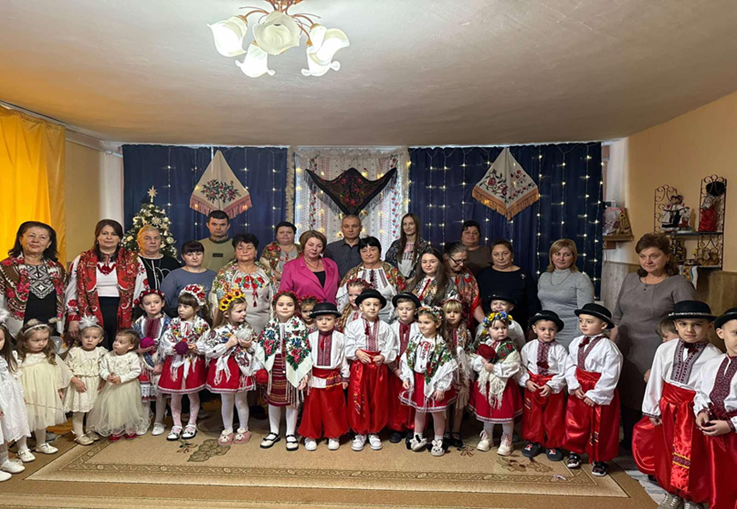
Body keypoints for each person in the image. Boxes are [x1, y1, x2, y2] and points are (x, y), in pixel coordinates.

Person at [611, 233, 695, 450]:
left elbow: (689, 322)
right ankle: (628, 442)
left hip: (656, 350)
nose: (647, 261)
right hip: (625, 346)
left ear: (667, 257)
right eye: (643, 256)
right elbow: (617, 314)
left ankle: (648, 448)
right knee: (626, 394)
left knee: (649, 396)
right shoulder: (631, 279)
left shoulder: (678, 284)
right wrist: (611, 342)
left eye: (654, 256)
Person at [633, 301, 720, 509]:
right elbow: (656, 379)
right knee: (667, 452)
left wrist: (702, 411)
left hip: (694, 412)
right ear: (675, 326)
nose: (690, 330)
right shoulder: (665, 349)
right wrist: (653, 409)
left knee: (693, 454)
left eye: (697, 324)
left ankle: (693, 497)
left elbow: (710, 390)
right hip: (667, 408)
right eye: (683, 324)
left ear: (709, 326)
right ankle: (672, 492)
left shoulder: (714, 356)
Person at [65, 219, 149, 349]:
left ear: (119, 238)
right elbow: (72, 289)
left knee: (120, 347)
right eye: (104, 233)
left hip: (123, 311)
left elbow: (141, 287)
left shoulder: (133, 259)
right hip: (90, 310)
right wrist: (72, 316)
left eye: (114, 234)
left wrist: (136, 315)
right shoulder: (82, 259)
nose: (109, 237)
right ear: (97, 236)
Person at [564, 303, 622, 477]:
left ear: (603, 325)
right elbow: (570, 364)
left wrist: (596, 394)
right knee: (576, 421)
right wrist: (574, 384)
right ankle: (575, 450)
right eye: (581, 321)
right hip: (580, 387)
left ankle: (600, 458)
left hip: (597, 389)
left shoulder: (609, 348)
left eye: (589, 322)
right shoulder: (576, 342)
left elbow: (611, 374)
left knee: (601, 424)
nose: (583, 325)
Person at [198, 291, 258, 446]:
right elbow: (208, 351)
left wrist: (249, 345)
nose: (244, 313)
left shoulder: (247, 328)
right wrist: (227, 345)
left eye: (244, 310)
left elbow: (257, 347)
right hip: (226, 369)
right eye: (239, 311)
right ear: (226, 313)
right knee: (226, 400)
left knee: (241, 400)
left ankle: (244, 428)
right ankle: (227, 429)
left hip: (242, 368)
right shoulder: (217, 331)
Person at [255, 291, 312, 452]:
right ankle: (273, 431)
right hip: (274, 367)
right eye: (281, 304)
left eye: (289, 305)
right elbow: (261, 347)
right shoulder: (270, 325)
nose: (285, 308)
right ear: (274, 307)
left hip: (292, 366)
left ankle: (290, 433)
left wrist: (304, 373)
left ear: (295, 308)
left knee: (291, 401)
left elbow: (305, 349)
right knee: (273, 400)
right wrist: (259, 367)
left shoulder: (299, 326)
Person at [345, 289, 398, 452]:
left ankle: (374, 431)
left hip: (378, 369)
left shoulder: (386, 328)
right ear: (361, 306)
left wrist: (384, 356)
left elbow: (392, 346)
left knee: (377, 398)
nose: (372, 308)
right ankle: (360, 432)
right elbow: (347, 345)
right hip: (360, 368)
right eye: (368, 304)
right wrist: (357, 352)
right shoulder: (353, 326)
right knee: (359, 397)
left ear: (381, 307)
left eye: (376, 304)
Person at [694, 307, 737, 509]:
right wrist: (701, 411)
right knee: (716, 474)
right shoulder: (712, 364)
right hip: (714, 429)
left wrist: (730, 425)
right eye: (735, 333)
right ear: (721, 333)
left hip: (733, 430)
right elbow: (701, 392)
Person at [401, 305, 457, 457]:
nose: (422, 326)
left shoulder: (440, 345)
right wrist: (406, 377)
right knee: (419, 410)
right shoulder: (415, 340)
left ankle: (438, 440)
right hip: (418, 379)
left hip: (433, 381)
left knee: (437, 412)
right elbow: (407, 358)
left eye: (427, 323)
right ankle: (417, 435)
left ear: (437, 324)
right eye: (420, 322)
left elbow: (446, 367)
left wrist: (441, 387)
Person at [158, 285, 210, 441]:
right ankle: (177, 424)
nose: (181, 309)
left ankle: (192, 423)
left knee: (193, 395)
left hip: (192, 363)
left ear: (196, 308)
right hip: (175, 363)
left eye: (186, 306)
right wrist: (173, 348)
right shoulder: (173, 323)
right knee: (175, 396)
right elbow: (165, 340)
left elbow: (207, 343)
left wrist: (196, 347)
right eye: (180, 306)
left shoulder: (202, 325)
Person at [15, 320, 72, 461]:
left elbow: (57, 371)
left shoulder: (48, 355)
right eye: (36, 340)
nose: (41, 343)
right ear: (25, 341)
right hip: (27, 393)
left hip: (44, 392)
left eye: (45, 339)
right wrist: (18, 394)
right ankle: (22, 448)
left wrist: (58, 388)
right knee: (24, 419)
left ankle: (41, 443)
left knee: (41, 417)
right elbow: (14, 377)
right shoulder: (19, 357)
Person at [298, 302, 350, 452]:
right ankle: (310, 435)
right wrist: (304, 376)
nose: (324, 322)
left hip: (333, 378)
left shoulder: (341, 338)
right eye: (320, 319)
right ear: (315, 321)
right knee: (312, 408)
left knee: (332, 408)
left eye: (328, 319)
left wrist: (345, 377)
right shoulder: (310, 337)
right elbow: (305, 359)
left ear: (336, 320)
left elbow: (343, 359)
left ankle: (333, 434)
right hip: (314, 377)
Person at [517, 310, 568, 462]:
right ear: (534, 329)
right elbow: (521, 367)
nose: (547, 333)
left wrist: (552, 385)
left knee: (553, 416)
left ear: (556, 330)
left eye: (551, 329)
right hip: (533, 385)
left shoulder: (560, 349)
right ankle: (533, 441)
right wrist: (526, 381)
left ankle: (553, 444)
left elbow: (564, 371)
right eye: (543, 329)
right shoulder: (528, 347)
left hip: (552, 388)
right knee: (532, 415)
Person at [0, 221, 67, 337]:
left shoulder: (57, 268)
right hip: (17, 332)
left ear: (49, 243)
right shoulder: (6, 266)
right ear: (20, 239)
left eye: (42, 237)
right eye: (31, 236)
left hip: (51, 329)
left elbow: (65, 297)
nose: (36, 241)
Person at [469, 311, 522, 456]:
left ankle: (507, 439)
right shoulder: (483, 343)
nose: (500, 331)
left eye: (504, 328)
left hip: (503, 385)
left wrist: (495, 368)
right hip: (486, 383)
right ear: (488, 329)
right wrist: (481, 363)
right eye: (496, 328)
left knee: (505, 412)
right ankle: (487, 435)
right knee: (488, 411)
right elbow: (472, 357)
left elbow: (514, 365)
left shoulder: (510, 347)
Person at [87, 329, 150, 440]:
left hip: (128, 387)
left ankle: (130, 428)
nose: (116, 343)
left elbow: (136, 371)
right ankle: (115, 429)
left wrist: (122, 378)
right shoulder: (108, 356)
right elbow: (102, 369)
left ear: (130, 346)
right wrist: (107, 376)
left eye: (121, 342)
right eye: (116, 340)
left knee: (128, 408)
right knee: (113, 409)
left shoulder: (132, 357)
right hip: (112, 388)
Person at [210, 234, 277, 335]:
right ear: (235, 252)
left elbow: (275, 299)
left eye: (249, 248)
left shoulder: (266, 272)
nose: (244, 251)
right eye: (240, 248)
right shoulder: (225, 273)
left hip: (264, 324)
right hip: (235, 327)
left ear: (256, 252)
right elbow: (217, 304)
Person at [536, 239, 595, 349]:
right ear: (551, 256)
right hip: (546, 333)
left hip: (570, 334)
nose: (561, 258)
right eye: (557, 254)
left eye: (567, 255)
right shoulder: (544, 276)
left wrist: (577, 338)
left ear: (573, 257)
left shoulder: (581, 279)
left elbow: (586, 313)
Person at [476, 239, 540, 333]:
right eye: (496, 254)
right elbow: (476, 302)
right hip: (489, 328)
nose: (501, 258)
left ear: (512, 255)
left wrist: (532, 328)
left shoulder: (524, 275)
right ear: (491, 256)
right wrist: (485, 323)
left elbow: (533, 304)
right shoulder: (483, 274)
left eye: (505, 253)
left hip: (518, 328)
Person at [337, 237, 406, 323]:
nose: (368, 254)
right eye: (364, 251)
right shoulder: (353, 274)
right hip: (359, 321)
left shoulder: (393, 272)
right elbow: (342, 301)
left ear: (380, 252)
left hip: (389, 321)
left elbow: (404, 298)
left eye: (372, 250)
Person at [132, 289, 171, 437]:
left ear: (163, 303)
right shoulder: (138, 323)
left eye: (156, 302)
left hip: (161, 361)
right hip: (143, 362)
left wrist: (161, 362)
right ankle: (144, 420)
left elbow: (170, 344)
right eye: (148, 303)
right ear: (142, 306)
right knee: (143, 394)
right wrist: (139, 350)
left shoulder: (169, 323)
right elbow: (132, 342)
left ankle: (159, 421)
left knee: (160, 393)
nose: (152, 306)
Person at [63, 316, 107, 446]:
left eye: (94, 337)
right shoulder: (75, 352)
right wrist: (75, 381)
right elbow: (65, 368)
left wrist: (104, 381)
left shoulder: (101, 352)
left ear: (100, 339)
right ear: (80, 337)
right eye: (86, 337)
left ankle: (90, 429)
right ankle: (79, 434)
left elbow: (106, 368)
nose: (90, 340)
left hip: (95, 385)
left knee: (92, 409)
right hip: (80, 386)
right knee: (80, 410)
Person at [387, 292, 420, 444]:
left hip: (414, 366)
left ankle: (412, 427)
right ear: (396, 310)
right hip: (396, 367)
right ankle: (396, 427)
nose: (404, 312)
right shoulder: (391, 328)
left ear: (415, 310)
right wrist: (395, 369)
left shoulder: (419, 327)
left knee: (412, 396)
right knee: (395, 398)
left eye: (408, 309)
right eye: (401, 309)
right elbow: (388, 349)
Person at [0, 313, 30, 478]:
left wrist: (20, 395)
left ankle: (4, 459)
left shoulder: (9, 357)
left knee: (4, 432)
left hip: (8, 401)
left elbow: (15, 378)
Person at [442, 298, 472, 448]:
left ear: (461, 314)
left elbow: (470, 351)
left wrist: (467, 372)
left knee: (459, 402)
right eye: (448, 312)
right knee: (446, 401)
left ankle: (456, 431)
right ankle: (445, 431)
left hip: (461, 370)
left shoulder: (466, 332)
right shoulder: (441, 331)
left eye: (456, 312)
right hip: (445, 370)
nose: (452, 315)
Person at [280, 231, 340, 305]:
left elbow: (339, 290)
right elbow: (284, 295)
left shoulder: (331, 264)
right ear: (303, 245)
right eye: (310, 245)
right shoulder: (290, 267)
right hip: (305, 311)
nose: (314, 249)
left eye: (319, 246)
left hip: (331, 310)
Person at [160, 241, 217, 311]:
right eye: (190, 255)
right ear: (183, 257)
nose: (195, 257)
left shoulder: (213, 275)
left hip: (207, 316)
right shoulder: (174, 276)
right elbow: (164, 302)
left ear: (203, 255)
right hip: (179, 316)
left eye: (198, 254)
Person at [443, 242, 485, 327]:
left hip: (463, 326)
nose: (462, 264)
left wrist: (486, 323)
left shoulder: (467, 275)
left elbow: (474, 304)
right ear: (446, 257)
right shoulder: (437, 274)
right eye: (457, 261)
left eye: (464, 260)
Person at [385, 213, 430, 279]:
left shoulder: (424, 246)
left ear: (416, 225)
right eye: (405, 224)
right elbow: (388, 264)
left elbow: (427, 267)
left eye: (411, 224)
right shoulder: (396, 244)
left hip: (416, 282)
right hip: (397, 282)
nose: (407, 227)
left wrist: (412, 280)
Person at [136, 225, 181, 290]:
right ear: (139, 242)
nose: (153, 242)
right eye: (147, 238)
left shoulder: (172, 263)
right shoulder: (133, 262)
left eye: (156, 238)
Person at [324, 215, 363, 279]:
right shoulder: (331, 248)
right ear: (341, 228)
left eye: (354, 226)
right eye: (346, 226)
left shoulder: (367, 248)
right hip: (337, 285)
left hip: (363, 284)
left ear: (360, 228)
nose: (350, 230)